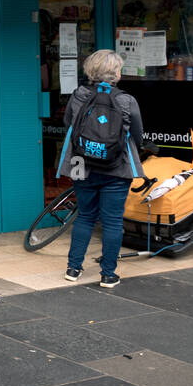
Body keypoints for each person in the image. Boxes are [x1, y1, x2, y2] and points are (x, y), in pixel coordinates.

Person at [58, 49, 145, 288]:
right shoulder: (126, 100)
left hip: (81, 165)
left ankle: (73, 269)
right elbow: (137, 134)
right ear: (115, 73)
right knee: (113, 222)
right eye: (119, 68)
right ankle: (108, 274)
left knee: (85, 216)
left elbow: (68, 123)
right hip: (116, 168)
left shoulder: (78, 95)